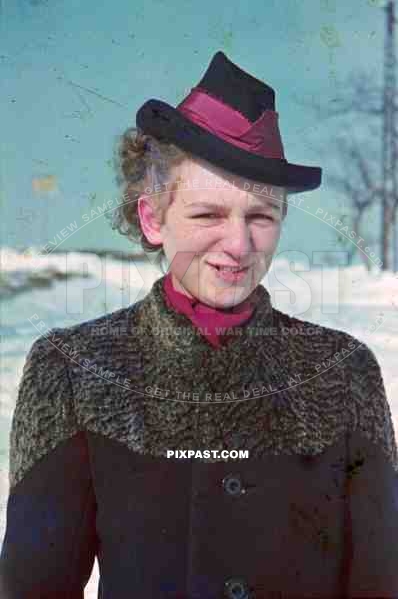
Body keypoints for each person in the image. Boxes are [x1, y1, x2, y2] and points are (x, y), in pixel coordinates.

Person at [1, 50, 398, 599]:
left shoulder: (345, 373)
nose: (238, 245)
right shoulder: (72, 371)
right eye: (207, 214)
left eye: (261, 215)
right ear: (151, 218)